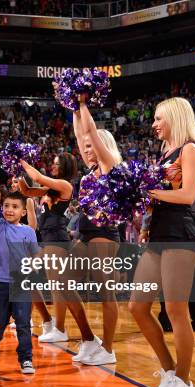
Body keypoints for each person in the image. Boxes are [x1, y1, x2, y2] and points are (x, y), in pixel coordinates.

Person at [128, 97, 195, 387]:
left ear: (175, 117)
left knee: (175, 309)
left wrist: (150, 190)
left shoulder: (190, 149)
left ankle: (184, 382)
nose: (155, 124)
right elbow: (160, 197)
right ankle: (170, 370)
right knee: (137, 306)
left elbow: (187, 195)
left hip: (182, 233)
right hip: (159, 232)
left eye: (159, 118)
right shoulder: (164, 153)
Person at [67, 94, 122, 366]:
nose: (87, 149)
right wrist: (73, 106)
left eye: (92, 146)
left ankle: (108, 349)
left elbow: (89, 132)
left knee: (105, 292)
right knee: (63, 282)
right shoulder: (89, 170)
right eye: (85, 148)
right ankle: (89, 338)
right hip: (85, 233)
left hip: (104, 233)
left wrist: (85, 104)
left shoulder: (109, 167)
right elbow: (81, 133)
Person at [0, 187, 40, 374]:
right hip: (2, 284)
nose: (9, 209)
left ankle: (26, 358)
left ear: (23, 212)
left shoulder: (28, 232)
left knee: (23, 322)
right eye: (6, 206)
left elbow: (35, 256)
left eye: (15, 206)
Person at [18, 151, 78, 343]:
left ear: (65, 167)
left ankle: (59, 328)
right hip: (47, 238)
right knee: (32, 279)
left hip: (57, 239)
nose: (53, 166)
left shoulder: (65, 185)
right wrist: (18, 175)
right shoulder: (50, 189)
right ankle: (51, 323)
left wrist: (20, 160)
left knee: (57, 286)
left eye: (56, 163)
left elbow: (37, 176)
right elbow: (27, 191)